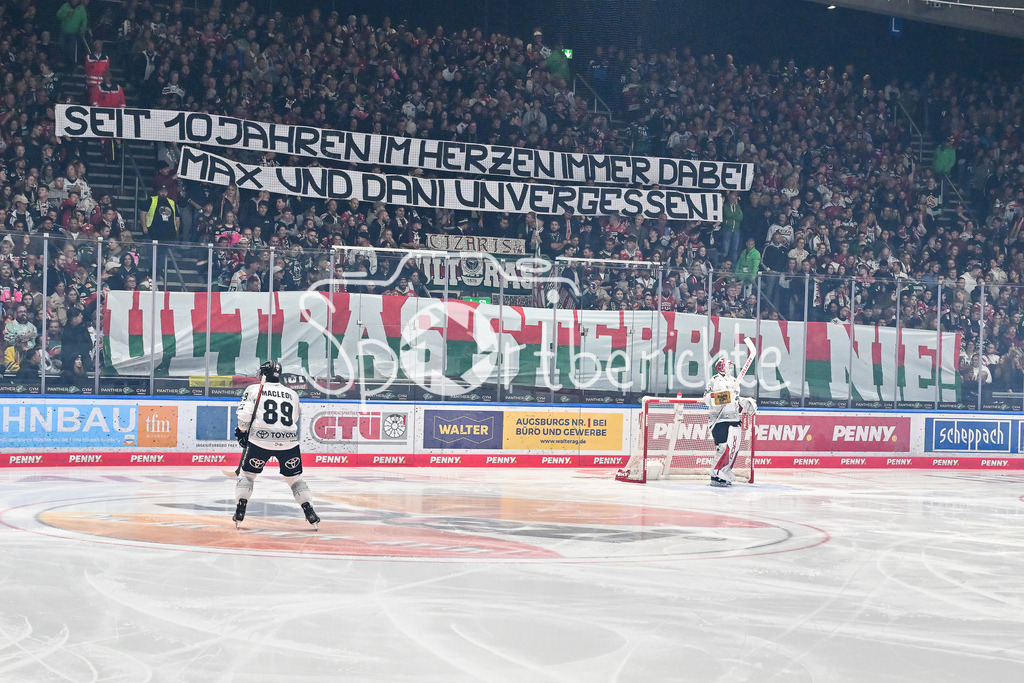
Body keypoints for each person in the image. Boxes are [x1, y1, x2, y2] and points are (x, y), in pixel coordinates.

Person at [232, 360, 320, 530]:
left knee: (247, 475)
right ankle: (309, 510)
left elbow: (244, 416)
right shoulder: (292, 394)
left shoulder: (254, 389)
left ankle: (241, 507)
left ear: (263, 374)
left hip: (259, 441)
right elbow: (294, 418)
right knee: (295, 479)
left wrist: (243, 432)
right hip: (288, 443)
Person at [703, 356, 756, 487]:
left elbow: (736, 400)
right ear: (721, 366)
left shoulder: (734, 381)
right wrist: (725, 395)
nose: (730, 368)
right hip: (719, 420)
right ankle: (715, 475)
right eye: (728, 365)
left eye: (731, 366)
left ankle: (725, 470)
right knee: (723, 447)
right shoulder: (715, 381)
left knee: (733, 448)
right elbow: (707, 399)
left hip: (734, 419)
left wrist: (744, 403)